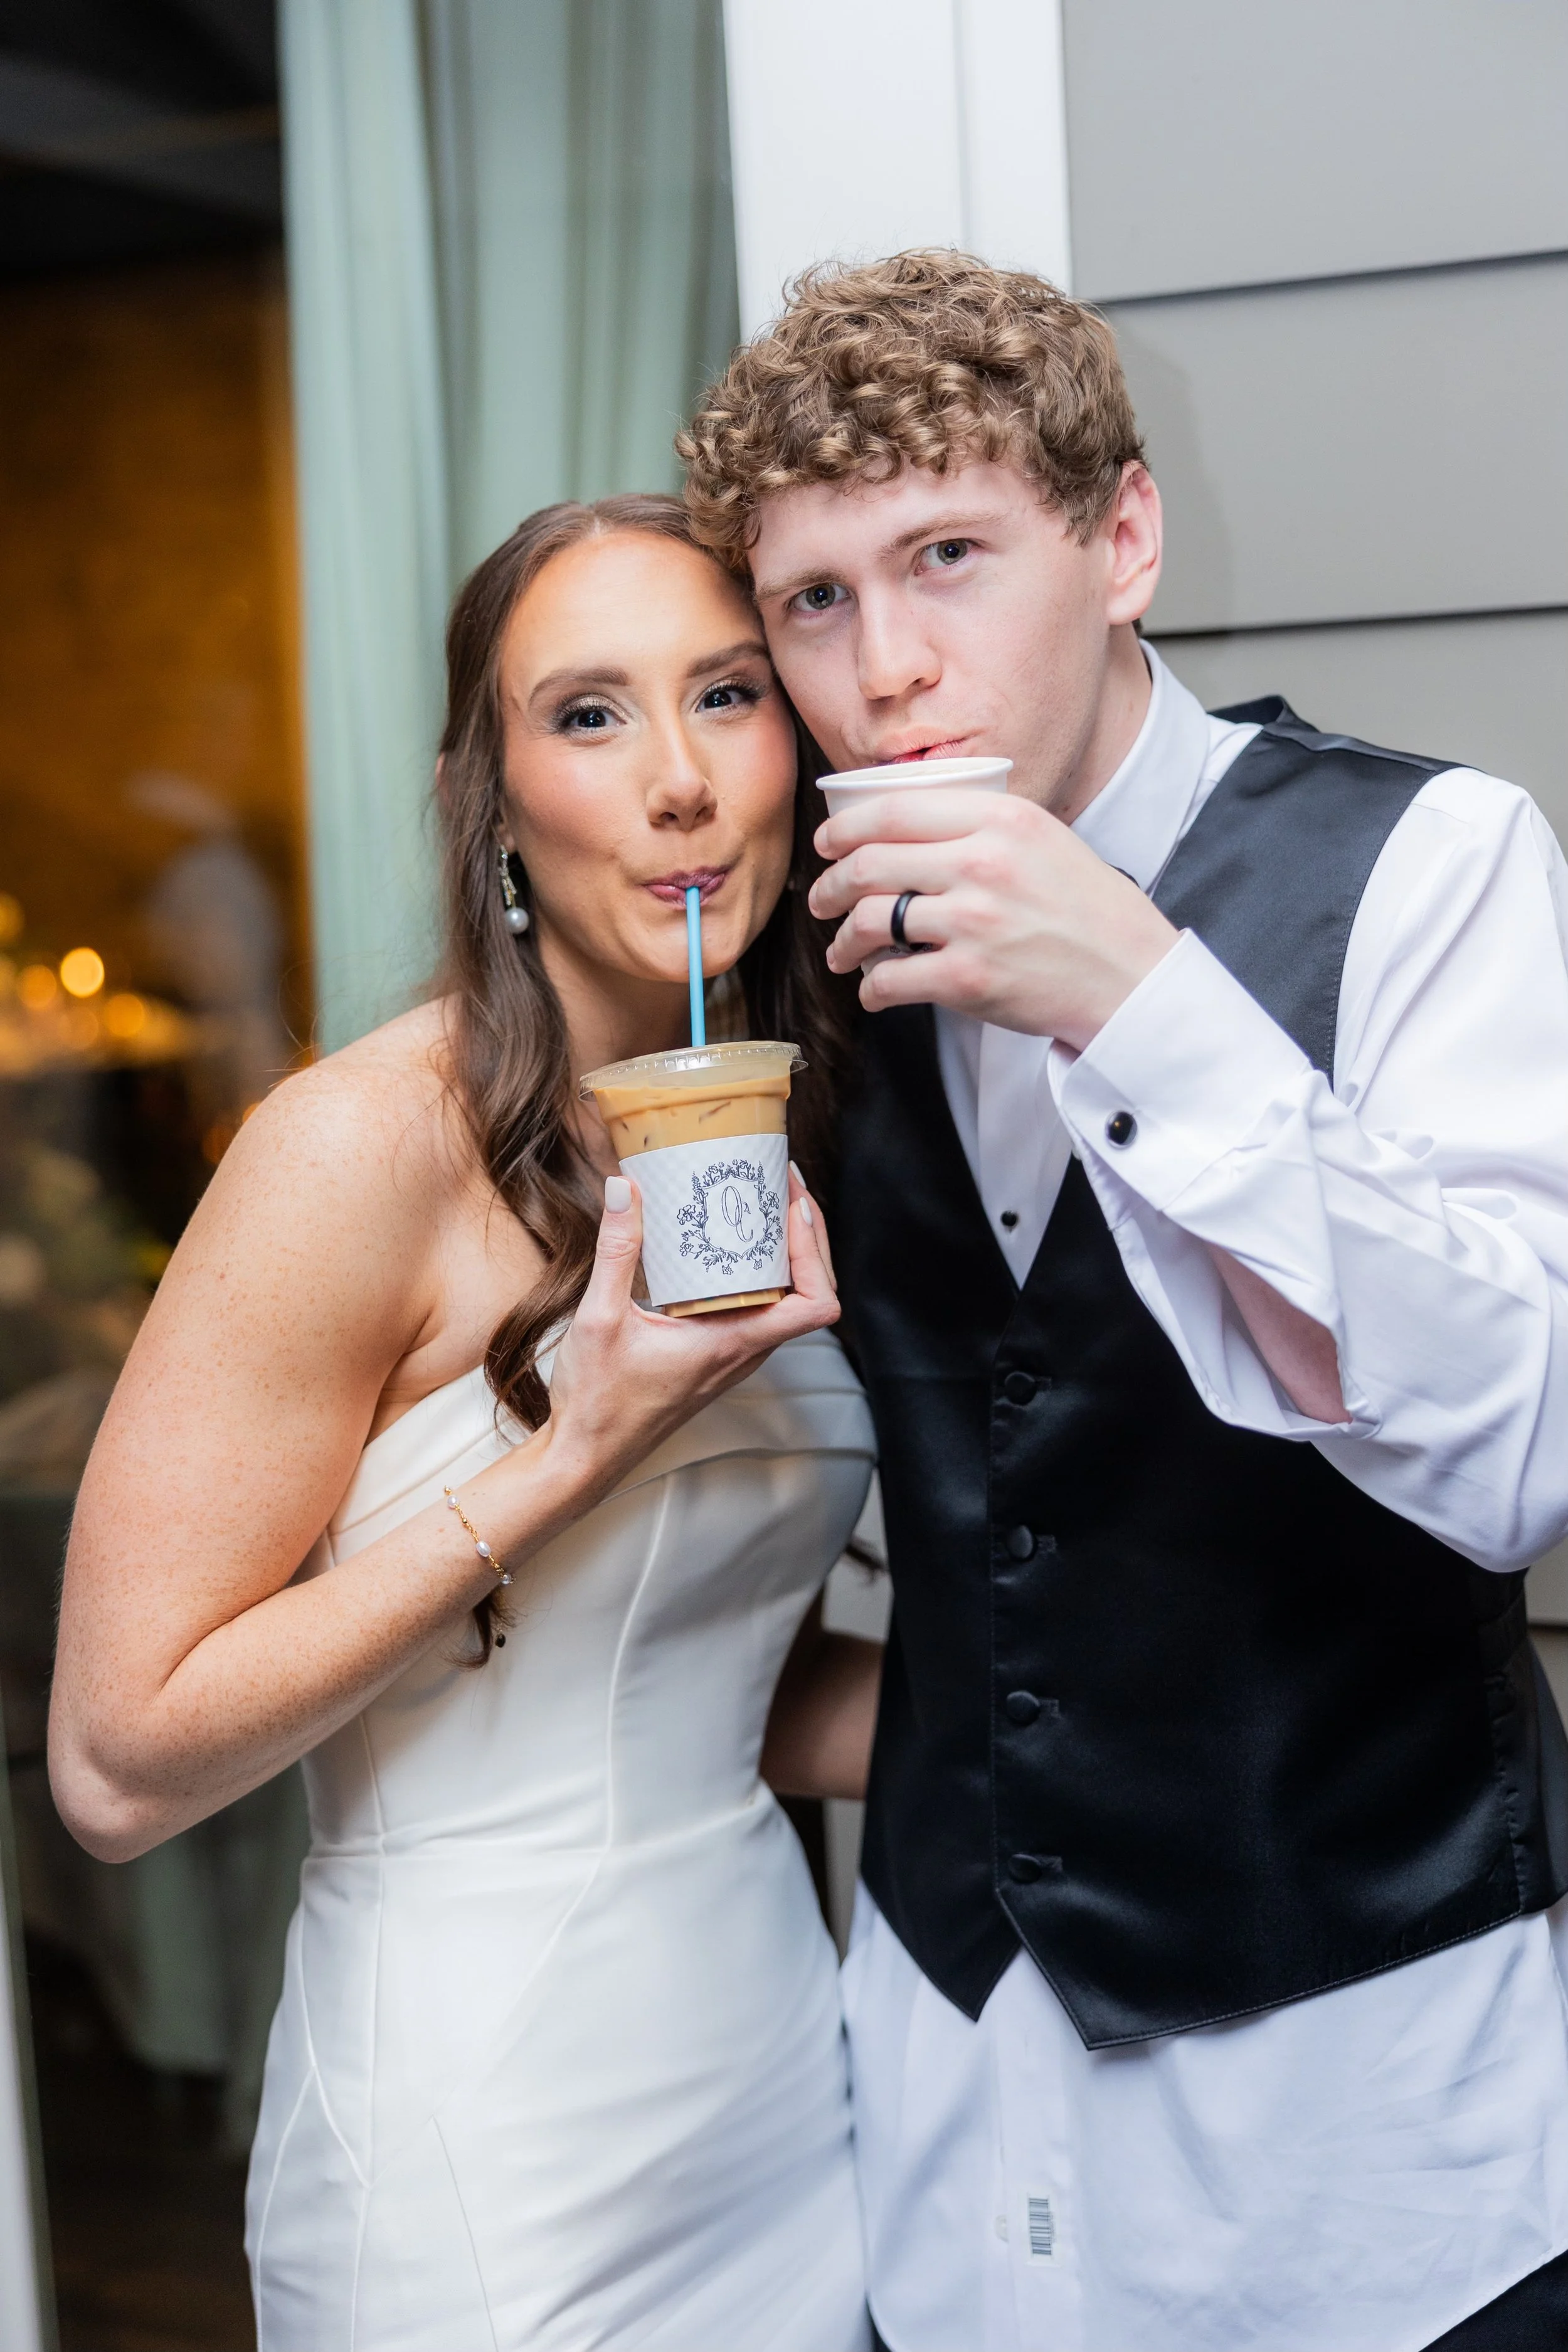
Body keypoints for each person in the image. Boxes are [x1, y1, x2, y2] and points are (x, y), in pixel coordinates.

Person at [679, 251, 1568, 2351]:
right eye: (814, 600)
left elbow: (1518, 1449)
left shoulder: (1430, 866)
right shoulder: (800, 966)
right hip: (943, 2113)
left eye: (948, 557)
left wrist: (1143, 998)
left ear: (1122, 540)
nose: (887, 663)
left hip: (1359, 2128)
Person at [48, 494, 882, 2351]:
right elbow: (118, 1762)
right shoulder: (353, 1148)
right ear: (489, 803)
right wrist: (567, 1452)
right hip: (485, 2123)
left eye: (726, 694)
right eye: (587, 714)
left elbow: (702, 1665)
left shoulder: (786, 1126)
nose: (678, 779)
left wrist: (1140, 1725)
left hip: (769, 2067)